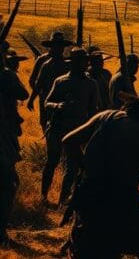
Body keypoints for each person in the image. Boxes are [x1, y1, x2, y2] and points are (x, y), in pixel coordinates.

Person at [63, 86, 139, 259]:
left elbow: (69, 141)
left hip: (87, 206)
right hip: (120, 209)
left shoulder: (106, 116)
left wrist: (86, 166)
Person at [42, 47, 101, 206]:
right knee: (52, 161)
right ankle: (43, 198)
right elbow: (47, 102)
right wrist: (58, 106)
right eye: (82, 60)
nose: (85, 63)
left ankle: (63, 201)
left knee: (72, 166)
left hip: (77, 129)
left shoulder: (91, 84)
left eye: (86, 60)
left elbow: (94, 110)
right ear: (73, 63)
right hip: (57, 126)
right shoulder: (60, 81)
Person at [0, 50, 28, 246]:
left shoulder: (6, 75)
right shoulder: (7, 75)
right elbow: (23, 93)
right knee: (8, 183)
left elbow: (22, 94)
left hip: (5, 133)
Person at [27, 31, 72, 129]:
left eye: (61, 46)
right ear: (51, 46)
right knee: (46, 123)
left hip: (63, 100)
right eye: (57, 46)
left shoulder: (67, 63)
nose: (60, 48)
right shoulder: (43, 61)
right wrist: (37, 95)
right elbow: (34, 81)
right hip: (46, 99)